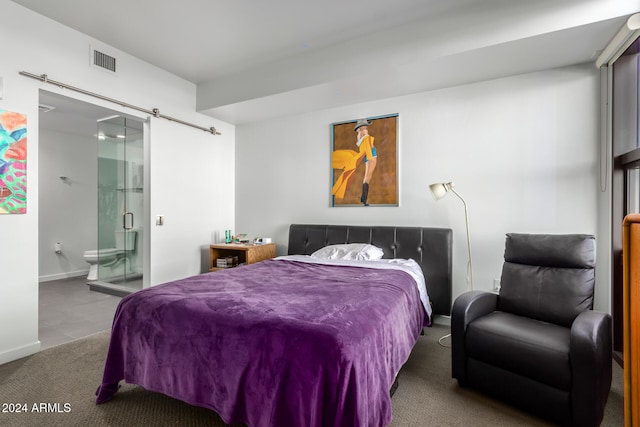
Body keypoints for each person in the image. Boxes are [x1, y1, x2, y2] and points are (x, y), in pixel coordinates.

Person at [331, 119, 377, 206]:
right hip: (371, 155)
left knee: (367, 177)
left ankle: (364, 199)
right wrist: (370, 156)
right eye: (365, 125)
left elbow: (362, 146)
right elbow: (367, 145)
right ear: (361, 126)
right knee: (368, 177)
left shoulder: (359, 135)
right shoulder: (365, 132)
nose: (366, 127)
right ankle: (364, 199)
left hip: (368, 155)